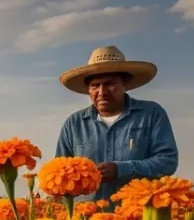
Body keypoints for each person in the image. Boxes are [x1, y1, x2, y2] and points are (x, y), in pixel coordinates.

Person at [55, 46, 178, 203]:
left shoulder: (151, 114)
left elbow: (167, 162)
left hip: (137, 215)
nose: (102, 91)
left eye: (109, 83)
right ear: (88, 89)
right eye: (95, 85)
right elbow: (58, 173)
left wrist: (120, 169)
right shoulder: (74, 124)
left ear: (125, 84)